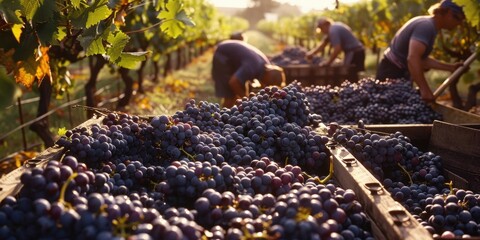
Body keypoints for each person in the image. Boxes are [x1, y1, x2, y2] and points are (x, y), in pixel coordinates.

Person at [375, 0, 465, 103]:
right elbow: (413, 58)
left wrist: (450, 67)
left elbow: (421, 59)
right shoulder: (426, 26)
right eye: (458, 18)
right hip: (391, 73)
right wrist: (424, 89)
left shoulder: (429, 25)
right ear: (448, 13)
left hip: (394, 70)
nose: (459, 23)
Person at [211, 39, 285, 108]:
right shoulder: (253, 66)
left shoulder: (266, 66)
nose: (265, 86)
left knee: (238, 92)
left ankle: (231, 114)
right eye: (267, 84)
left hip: (232, 55)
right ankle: (222, 118)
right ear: (269, 76)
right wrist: (247, 100)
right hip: (222, 54)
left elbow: (248, 82)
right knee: (230, 96)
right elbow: (233, 82)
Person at [305, 17, 365, 82]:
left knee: (350, 75)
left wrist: (328, 63)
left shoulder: (333, 31)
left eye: (321, 28)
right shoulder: (334, 27)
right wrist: (311, 53)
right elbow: (323, 45)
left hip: (355, 53)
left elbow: (337, 49)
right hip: (356, 51)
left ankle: (354, 90)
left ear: (325, 25)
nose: (322, 31)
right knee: (351, 75)